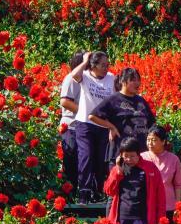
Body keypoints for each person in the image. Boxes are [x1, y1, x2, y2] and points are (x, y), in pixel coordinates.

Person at [103, 136, 166, 224]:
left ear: (139, 154)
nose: (129, 159)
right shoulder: (117, 169)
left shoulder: (150, 168)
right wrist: (118, 172)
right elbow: (109, 191)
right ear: (120, 155)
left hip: (141, 218)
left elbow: (160, 195)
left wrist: (160, 218)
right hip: (120, 217)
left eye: (132, 156)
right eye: (126, 156)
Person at [70, 50, 114, 203]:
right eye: (102, 65)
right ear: (93, 66)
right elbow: (74, 75)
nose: (106, 68)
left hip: (102, 125)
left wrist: (111, 126)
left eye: (107, 65)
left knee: (100, 159)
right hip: (85, 124)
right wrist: (84, 61)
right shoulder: (86, 76)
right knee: (86, 157)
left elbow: (113, 102)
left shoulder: (111, 78)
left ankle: (97, 192)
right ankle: (84, 193)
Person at [90, 67, 155, 165]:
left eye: (138, 80)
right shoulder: (113, 100)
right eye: (133, 80)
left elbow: (151, 123)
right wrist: (111, 127)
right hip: (121, 153)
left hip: (141, 153)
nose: (137, 83)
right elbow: (93, 116)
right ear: (123, 82)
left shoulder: (141, 100)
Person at [142, 125, 181, 224]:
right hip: (146, 206)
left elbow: (179, 184)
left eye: (154, 140)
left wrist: (177, 206)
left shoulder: (173, 159)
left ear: (163, 141)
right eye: (148, 140)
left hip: (168, 206)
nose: (150, 143)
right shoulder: (141, 158)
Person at [57, 52, 85, 192]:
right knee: (71, 160)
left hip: (84, 126)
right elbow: (65, 101)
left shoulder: (87, 80)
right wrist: (85, 111)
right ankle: (70, 192)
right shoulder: (70, 79)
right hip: (71, 127)